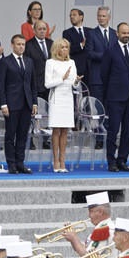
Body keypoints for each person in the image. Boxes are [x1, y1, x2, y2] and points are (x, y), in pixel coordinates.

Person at [0, 34, 37, 174]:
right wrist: (3, 104)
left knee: (22, 135)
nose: (21, 47)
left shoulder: (29, 61)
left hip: (26, 103)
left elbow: (33, 84)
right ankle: (11, 164)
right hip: (11, 104)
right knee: (10, 135)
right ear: (12, 45)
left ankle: (20, 163)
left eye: (23, 44)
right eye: (18, 44)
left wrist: (34, 103)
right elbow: (0, 85)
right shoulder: (5, 62)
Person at [100, 22, 129, 172]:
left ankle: (122, 160)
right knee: (113, 130)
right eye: (123, 33)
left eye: (128, 32)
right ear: (117, 33)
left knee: (128, 131)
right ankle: (111, 161)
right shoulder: (110, 51)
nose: (126, 35)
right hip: (115, 97)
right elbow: (104, 74)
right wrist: (112, 90)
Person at [45, 38, 77, 173]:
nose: (65, 50)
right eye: (63, 47)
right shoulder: (50, 63)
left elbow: (74, 83)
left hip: (68, 98)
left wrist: (76, 82)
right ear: (57, 48)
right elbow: (47, 84)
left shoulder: (72, 62)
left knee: (65, 130)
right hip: (56, 98)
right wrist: (62, 79)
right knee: (56, 130)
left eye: (67, 47)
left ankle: (63, 160)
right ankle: (55, 161)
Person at [85, 6, 115, 100]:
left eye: (103, 16)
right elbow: (89, 53)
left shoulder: (115, 33)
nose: (101, 18)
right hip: (97, 78)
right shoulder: (91, 33)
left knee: (111, 108)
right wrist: (106, 56)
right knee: (97, 108)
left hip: (112, 78)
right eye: (99, 16)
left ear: (109, 17)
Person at [25, 20, 53, 101]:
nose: (42, 31)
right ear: (34, 30)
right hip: (36, 85)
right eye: (40, 29)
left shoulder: (51, 43)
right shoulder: (28, 45)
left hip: (50, 85)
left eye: (44, 29)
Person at [62, 8, 88, 78]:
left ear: (81, 17)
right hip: (76, 68)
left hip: (90, 69)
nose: (71, 17)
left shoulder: (90, 31)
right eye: (70, 16)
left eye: (74, 15)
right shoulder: (67, 33)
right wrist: (81, 45)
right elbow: (67, 49)